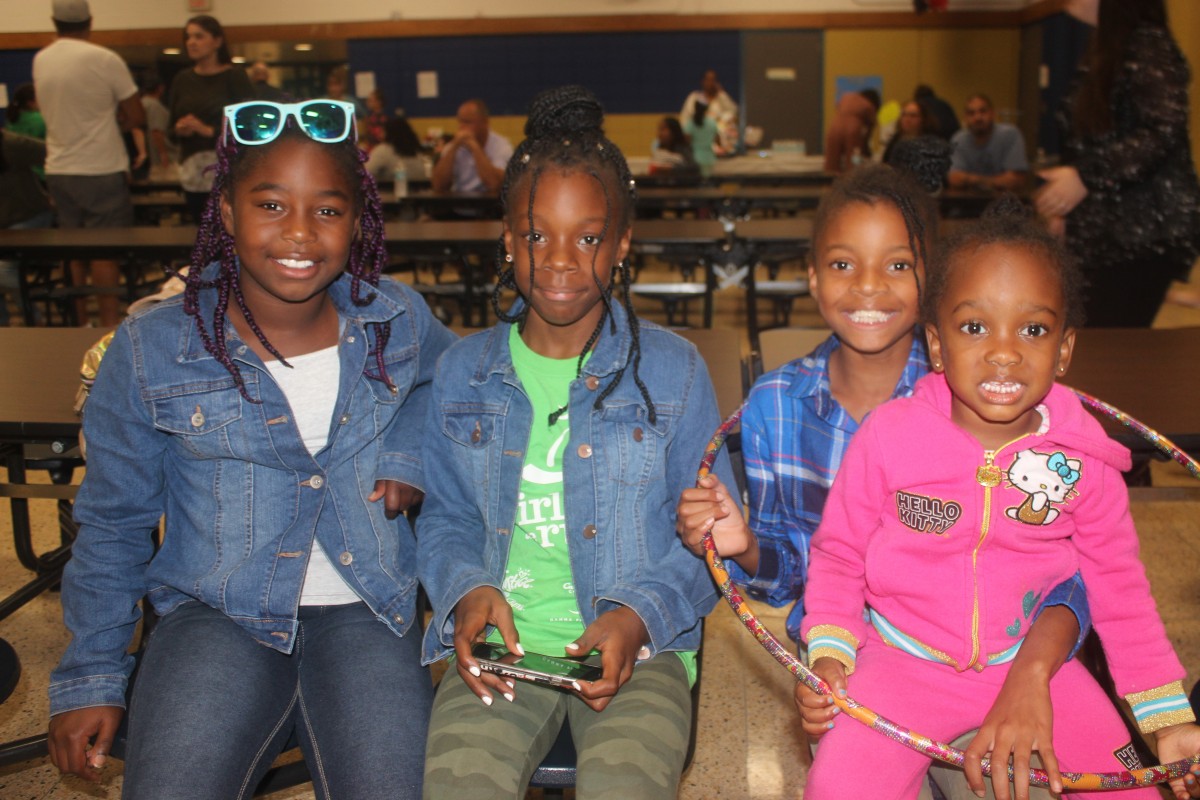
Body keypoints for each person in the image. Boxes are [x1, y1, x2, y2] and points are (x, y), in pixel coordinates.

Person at [46, 98, 456, 798]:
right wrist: (92, 674)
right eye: (270, 204)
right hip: (218, 613)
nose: (299, 232)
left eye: (327, 210)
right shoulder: (150, 349)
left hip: (366, 611)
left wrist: (411, 451)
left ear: (356, 222)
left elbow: (450, 387)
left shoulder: (399, 319)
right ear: (228, 213)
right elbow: (113, 525)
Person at [676, 166, 1091, 800]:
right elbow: (795, 567)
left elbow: (1058, 556)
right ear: (812, 278)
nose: (869, 286)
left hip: (981, 654)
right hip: (843, 660)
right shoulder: (775, 405)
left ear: (934, 284)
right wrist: (745, 545)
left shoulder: (988, 391)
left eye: (898, 265)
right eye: (844, 265)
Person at [798, 200, 1200, 800]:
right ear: (936, 344)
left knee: (1132, 790)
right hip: (899, 666)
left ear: (1064, 350)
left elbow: (1121, 591)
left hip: (1037, 670)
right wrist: (831, 649)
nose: (1005, 351)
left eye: (1033, 329)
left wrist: (1168, 719)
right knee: (838, 789)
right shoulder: (888, 435)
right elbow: (838, 557)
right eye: (974, 326)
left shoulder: (1085, 461)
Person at [418, 85, 736, 799]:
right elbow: (444, 520)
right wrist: (467, 592)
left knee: (625, 784)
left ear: (622, 243)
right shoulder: (462, 372)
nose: (560, 260)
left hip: (642, 652)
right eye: (536, 236)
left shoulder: (674, 371)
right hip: (501, 653)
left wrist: (635, 616)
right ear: (507, 239)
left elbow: (710, 537)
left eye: (588, 238)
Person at [1035, 0, 1200, 328]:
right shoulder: (1104, 48)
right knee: (1096, 342)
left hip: (1142, 235)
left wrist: (1085, 177)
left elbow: (1161, 130)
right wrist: (1069, 210)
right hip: (1110, 235)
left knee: (1107, 346)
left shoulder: (1147, 45)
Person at [33, 0, 145, 327]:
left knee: (72, 248)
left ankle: (78, 322)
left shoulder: (41, 60)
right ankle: (108, 326)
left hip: (59, 168)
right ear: (89, 22)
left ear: (54, 22)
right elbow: (136, 114)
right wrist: (112, 123)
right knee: (105, 249)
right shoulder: (104, 59)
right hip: (100, 167)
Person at [169, 15, 255, 221]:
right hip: (193, 170)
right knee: (201, 230)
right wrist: (180, 129)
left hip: (228, 167)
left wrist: (209, 131)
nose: (191, 42)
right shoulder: (183, 79)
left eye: (199, 36)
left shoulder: (234, 76)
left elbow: (251, 125)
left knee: (228, 229)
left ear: (217, 41)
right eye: (188, 37)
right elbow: (169, 129)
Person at [0, 130, 51, 325]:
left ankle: (33, 318)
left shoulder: (11, 144)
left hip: (27, 218)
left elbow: (50, 152)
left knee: (3, 271)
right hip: (6, 226)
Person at [947, 94, 1029, 192]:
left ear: (993, 114)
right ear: (965, 118)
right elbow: (954, 179)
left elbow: (1016, 180)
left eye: (983, 111)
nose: (977, 117)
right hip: (967, 203)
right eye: (971, 113)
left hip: (1005, 202)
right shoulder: (958, 139)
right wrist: (996, 181)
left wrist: (969, 179)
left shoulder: (1010, 134)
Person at [431, 98, 512, 195]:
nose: (461, 127)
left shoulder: (502, 146)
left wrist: (475, 147)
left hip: (490, 206)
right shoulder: (454, 146)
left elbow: (494, 184)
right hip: (458, 205)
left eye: (467, 122)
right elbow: (438, 185)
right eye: (460, 122)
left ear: (484, 122)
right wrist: (454, 147)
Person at [680, 69, 739, 155]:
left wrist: (721, 93)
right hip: (696, 136)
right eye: (708, 80)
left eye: (713, 80)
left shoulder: (721, 98)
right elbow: (685, 119)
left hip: (719, 136)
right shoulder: (694, 97)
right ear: (702, 81)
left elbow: (734, 111)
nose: (710, 83)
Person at [823, 88, 880, 174]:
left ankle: (828, 183)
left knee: (832, 160)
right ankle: (852, 182)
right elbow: (870, 127)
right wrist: (866, 149)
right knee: (853, 159)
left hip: (834, 128)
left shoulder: (845, 97)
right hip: (853, 130)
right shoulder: (869, 105)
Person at [364, 115, 425, 184]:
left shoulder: (384, 150)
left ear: (388, 132)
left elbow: (365, 172)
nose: (380, 134)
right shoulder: (416, 151)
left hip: (391, 192)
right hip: (419, 192)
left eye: (383, 131)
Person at [881, 99, 938, 167]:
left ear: (923, 119)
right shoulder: (894, 141)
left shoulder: (931, 145)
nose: (907, 119)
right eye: (904, 115)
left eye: (913, 116)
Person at [139, 75, 175, 179]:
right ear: (160, 88)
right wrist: (163, 154)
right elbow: (156, 131)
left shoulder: (141, 103)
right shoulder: (154, 106)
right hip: (158, 159)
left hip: (148, 157)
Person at [683, 101, 719, 178]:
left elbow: (686, 140)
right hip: (709, 157)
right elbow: (717, 139)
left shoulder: (690, 123)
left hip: (695, 157)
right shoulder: (712, 122)